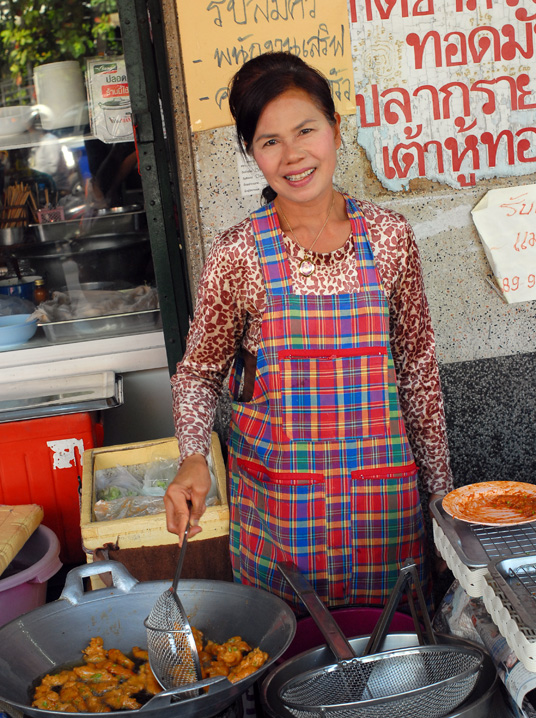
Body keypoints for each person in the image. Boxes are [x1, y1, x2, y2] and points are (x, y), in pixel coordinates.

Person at [164, 52, 453, 611]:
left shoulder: (391, 238)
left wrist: (441, 500)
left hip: (385, 516)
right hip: (282, 522)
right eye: (269, 141)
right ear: (252, 154)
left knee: (395, 676)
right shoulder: (237, 254)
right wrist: (194, 454)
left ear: (336, 129)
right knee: (289, 678)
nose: (293, 155)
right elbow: (199, 373)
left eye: (305, 130)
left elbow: (418, 373)